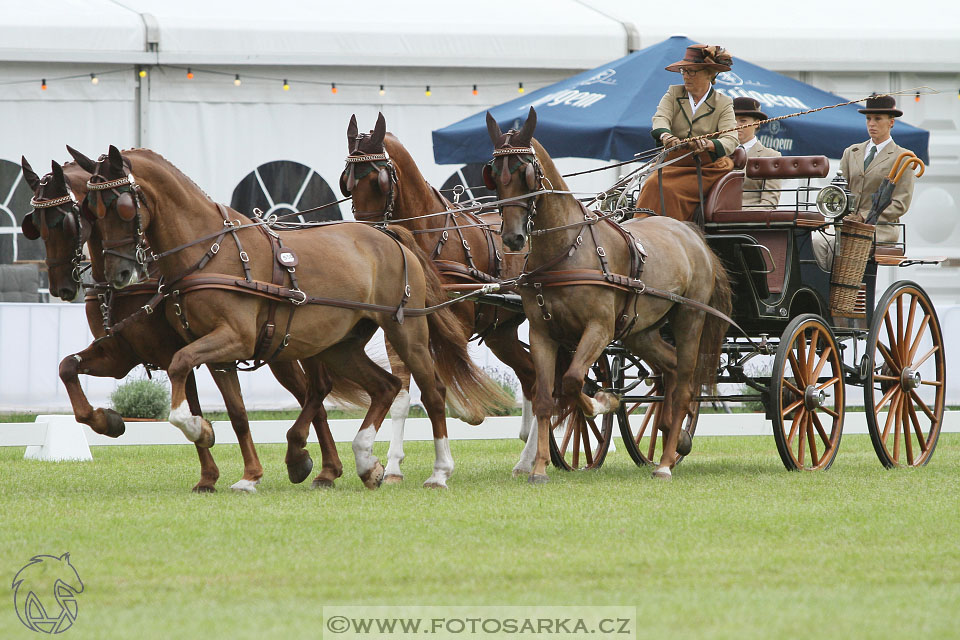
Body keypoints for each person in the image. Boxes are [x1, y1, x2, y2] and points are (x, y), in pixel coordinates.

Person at [636, 44, 739, 222]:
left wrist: (708, 144)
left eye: (692, 71)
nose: (685, 76)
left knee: (669, 189)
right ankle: (642, 231)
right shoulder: (673, 94)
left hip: (706, 168)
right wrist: (666, 136)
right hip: (672, 163)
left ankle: (671, 234)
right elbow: (660, 118)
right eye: (684, 71)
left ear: (710, 73)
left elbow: (731, 139)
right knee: (652, 184)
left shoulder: (723, 102)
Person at [812, 93, 916, 269]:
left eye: (877, 119)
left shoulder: (902, 157)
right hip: (847, 226)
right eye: (868, 119)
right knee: (816, 243)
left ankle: (836, 291)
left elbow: (900, 204)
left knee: (842, 247)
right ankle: (824, 291)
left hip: (880, 228)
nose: (871, 124)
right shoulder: (852, 152)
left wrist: (864, 216)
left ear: (891, 122)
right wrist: (838, 215)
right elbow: (839, 191)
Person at [733, 96, 781, 208]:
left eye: (743, 121)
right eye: (733, 120)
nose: (736, 125)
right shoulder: (719, 153)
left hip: (749, 219)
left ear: (756, 123)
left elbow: (769, 202)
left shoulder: (770, 156)